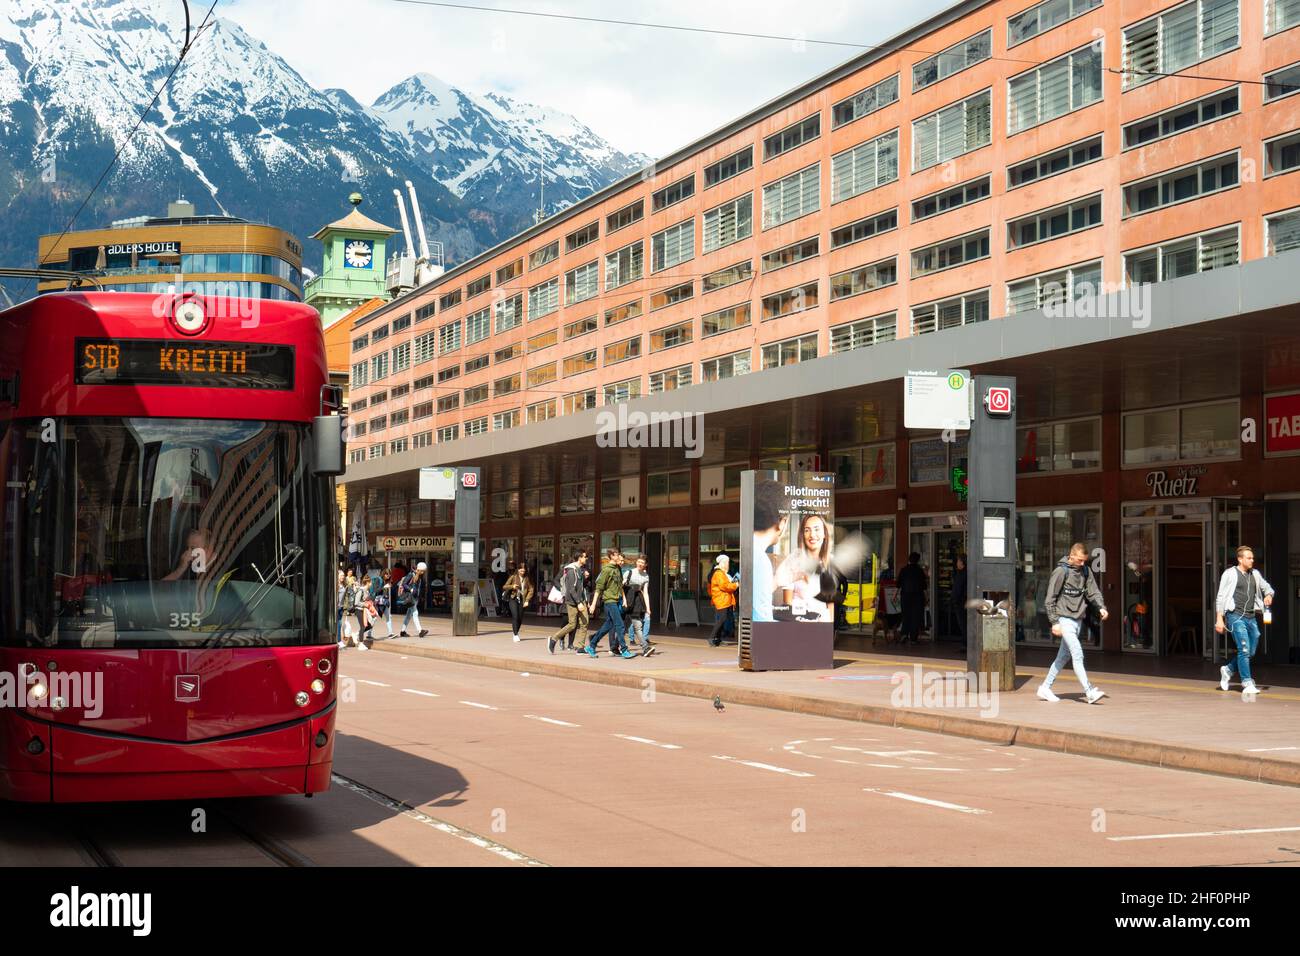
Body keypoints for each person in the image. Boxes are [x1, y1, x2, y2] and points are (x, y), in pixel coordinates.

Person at [1038, 542, 1108, 704]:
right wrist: (1054, 622)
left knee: (1063, 657)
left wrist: (1101, 607)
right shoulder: (1061, 572)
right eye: (1079, 560)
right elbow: (1050, 599)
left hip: (1077, 620)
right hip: (1064, 619)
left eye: (1084, 561)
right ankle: (1089, 691)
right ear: (1071, 556)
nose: (1082, 564)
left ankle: (1045, 688)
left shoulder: (1086, 571)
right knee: (1077, 653)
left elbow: (1093, 592)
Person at [1214, 545, 1274, 697]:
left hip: (1251, 617)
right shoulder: (1230, 574)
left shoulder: (1255, 574)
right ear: (1240, 559)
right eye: (1249, 558)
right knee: (1244, 649)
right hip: (1235, 616)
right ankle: (1247, 682)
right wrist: (1219, 619)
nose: (1252, 560)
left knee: (1251, 651)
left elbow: (1267, 588)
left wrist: (1268, 595)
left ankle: (1228, 670)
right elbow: (1220, 596)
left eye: (1252, 557)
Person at [774, 514, 834, 622]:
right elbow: (788, 604)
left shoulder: (831, 563)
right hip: (799, 624)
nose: (812, 535)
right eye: (807, 530)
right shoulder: (793, 560)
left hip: (823, 624)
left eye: (817, 529)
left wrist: (831, 628)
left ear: (824, 534)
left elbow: (831, 604)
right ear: (802, 534)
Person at [751, 482, 789, 623]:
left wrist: (776, 582)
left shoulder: (751, 552)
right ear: (782, 523)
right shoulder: (761, 560)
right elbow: (762, 620)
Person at [587, 550, 634, 659]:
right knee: (620, 625)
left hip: (617, 600)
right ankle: (624, 649)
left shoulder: (618, 569)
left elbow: (620, 585)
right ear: (612, 556)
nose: (619, 557)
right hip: (609, 601)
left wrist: (625, 599)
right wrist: (593, 604)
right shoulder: (606, 570)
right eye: (617, 555)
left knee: (608, 625)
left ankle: (592, 645)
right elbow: (599, 588)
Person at [550, 550, 590, 654]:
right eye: (585, 557)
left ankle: (580, 647)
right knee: (572, 624)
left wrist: (585, 600)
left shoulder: (580, 570)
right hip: (572, 601)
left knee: (584, 623)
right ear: (579, 558)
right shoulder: (571, 571)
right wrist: (578, 602)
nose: (586, 559)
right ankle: (554, 638)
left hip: (581, 600)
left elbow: (581, 587)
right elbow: (571, 589)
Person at [623, 555, 656, 656]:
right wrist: (624, 600)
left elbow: (645, 592)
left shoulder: (646, 576)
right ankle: (612, 646)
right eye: (639, 562)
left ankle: (645, 648)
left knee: (637, 626)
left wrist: (648, 608)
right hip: (627, 600)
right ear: (636, 562)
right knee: (621, 626)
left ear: (646, 565)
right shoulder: (629, 573)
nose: (640, 564)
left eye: (642, 563)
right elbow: (621, 587)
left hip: (637, 602)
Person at [708, 554, 739, 646]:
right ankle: (712, 637)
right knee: (722, 619)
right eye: (727, 562)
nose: (728, 564)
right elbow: (724, 586)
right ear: (722, 563)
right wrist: (735, 585)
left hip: (724, 599)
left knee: (723, 619)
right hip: (722, 600)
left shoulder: (721, 573)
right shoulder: (719, 574)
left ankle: (717, 639)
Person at [897, 552, 927, 644]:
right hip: (918, 597)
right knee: (915, 617)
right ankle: (913, 638)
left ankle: (904, 634)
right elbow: (924, 586)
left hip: (905, 596)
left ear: (909, 559)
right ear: (918, 560)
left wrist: (896, 594)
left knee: (906, 615)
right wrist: (926, 597)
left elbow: (898, 584)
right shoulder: (919, 571)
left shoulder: (903, 570)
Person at [501, 560, 534, 642]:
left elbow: (531, 589)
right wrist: (512, 586)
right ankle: (515, 634)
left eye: (524, 570)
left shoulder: (527, 578)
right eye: (521, 570)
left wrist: (527, 600)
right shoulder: (513, 577)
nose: (522, 571)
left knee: (520, 618)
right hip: (513, 598)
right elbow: (504, 587)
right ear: (518, 569)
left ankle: (516, 631)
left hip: (523, 600)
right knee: (515, 616)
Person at [398, 561, 429, 637]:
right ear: (420, 569)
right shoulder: (411, 574)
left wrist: (421, 597)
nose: (423, 572)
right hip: (410, 597)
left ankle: (402, 631)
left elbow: (419, 588)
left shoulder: (420, 577)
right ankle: (420, 631)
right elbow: (404, 584)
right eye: (423, 571)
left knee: (408, 615)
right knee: (415, 613)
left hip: (415, 598)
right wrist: (410, 589)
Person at [952, 554, 968, 651]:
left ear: (963, 563)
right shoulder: (958, 573)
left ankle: (966, 644)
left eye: (958, 561)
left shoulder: (966, 573)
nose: (957, 563)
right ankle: (964, 642)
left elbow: (965, 588)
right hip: (957, 601)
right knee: (961, 623)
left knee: (964, 623)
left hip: (962, 602)